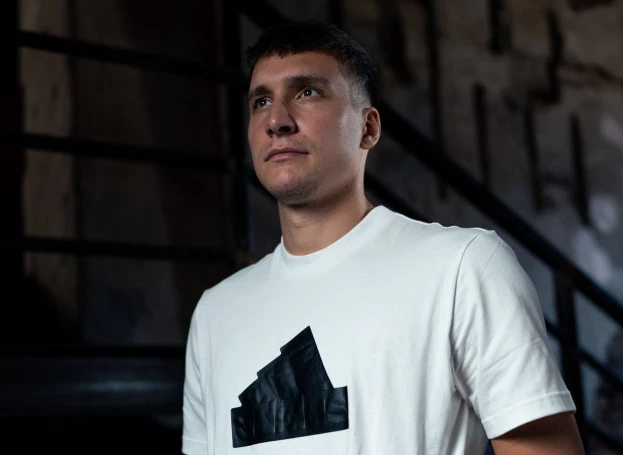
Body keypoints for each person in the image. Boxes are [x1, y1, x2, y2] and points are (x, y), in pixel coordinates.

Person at [182, 21, 584, 455]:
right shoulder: (215, 312)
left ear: (368, 128)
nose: (276, 120)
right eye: (261, 101)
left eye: (307, 92)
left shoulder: (462, 268)